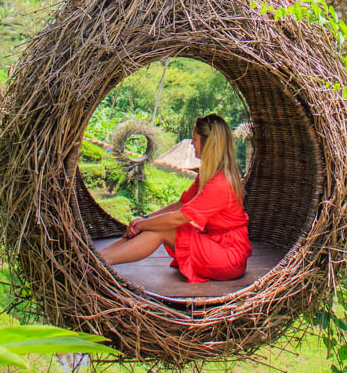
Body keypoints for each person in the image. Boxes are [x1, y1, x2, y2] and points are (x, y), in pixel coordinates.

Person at [98, 114, 252, 283]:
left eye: (195, 139)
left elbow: (179, 217)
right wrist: (145, 219)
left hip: (228, 257)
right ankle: (99, 257)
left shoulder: (220, 184)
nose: (192, 144)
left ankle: (104, 262)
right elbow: (181, 204)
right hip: (215, 243)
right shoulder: (209, 175)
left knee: (164, 228)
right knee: (154, 225)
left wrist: (142, 224)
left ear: (208, 145)